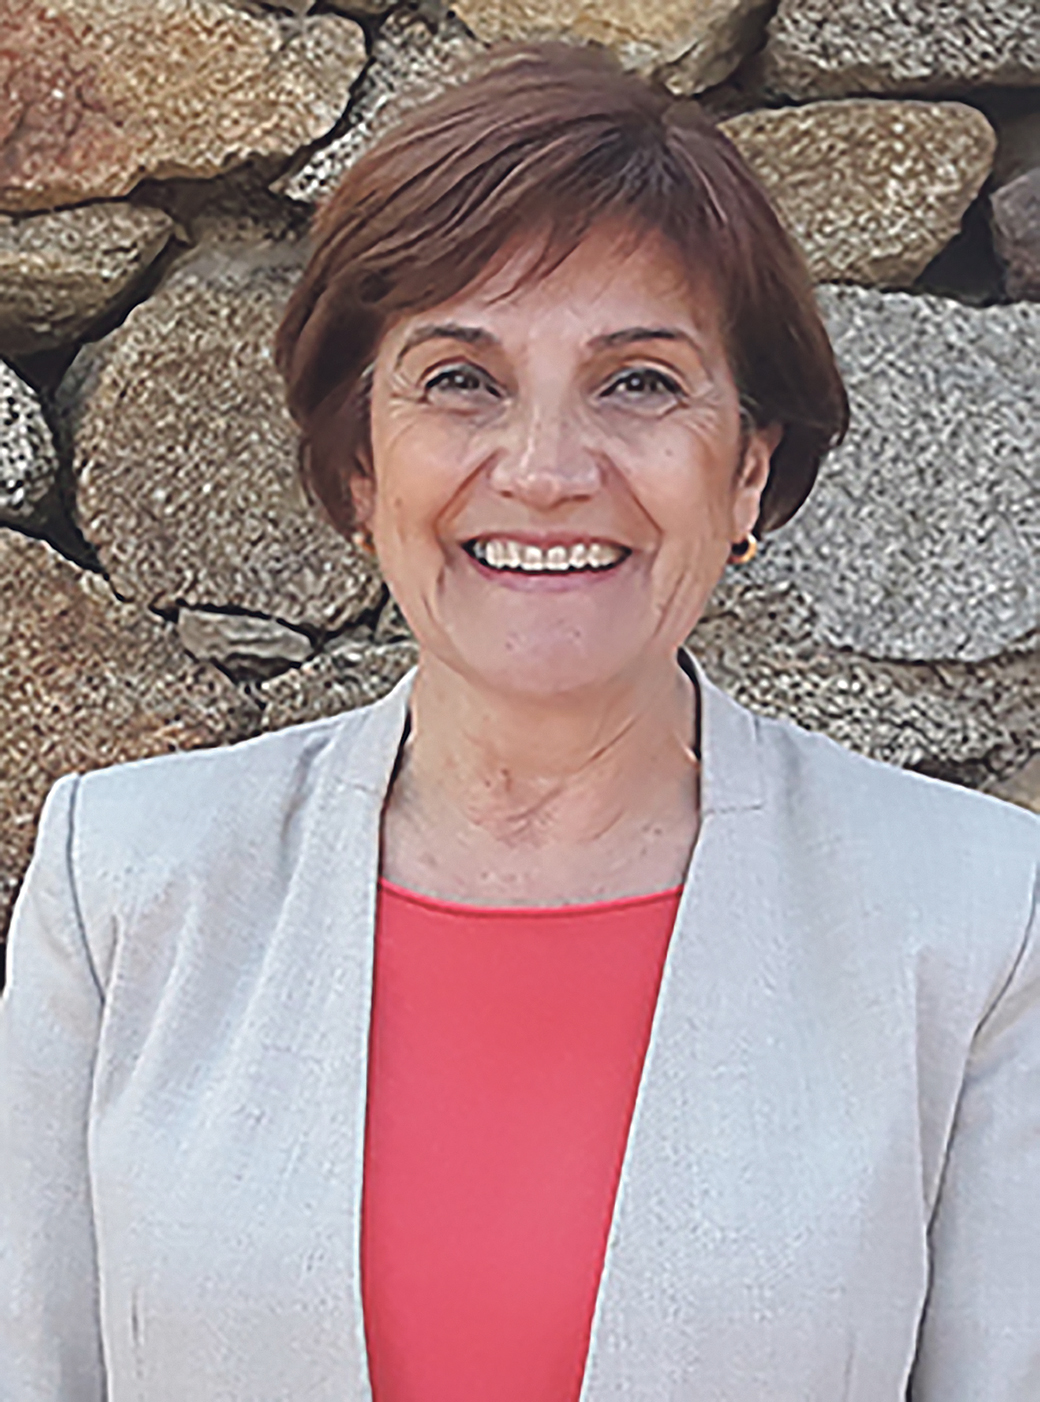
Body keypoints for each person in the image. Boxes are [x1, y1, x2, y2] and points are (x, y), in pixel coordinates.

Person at [1, 41, 1037, 1402]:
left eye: (640, 381)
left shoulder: (971, 916)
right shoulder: (129, 883)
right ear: (360, 466)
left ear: (749, 468)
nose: (547, 470)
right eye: (460, 379)